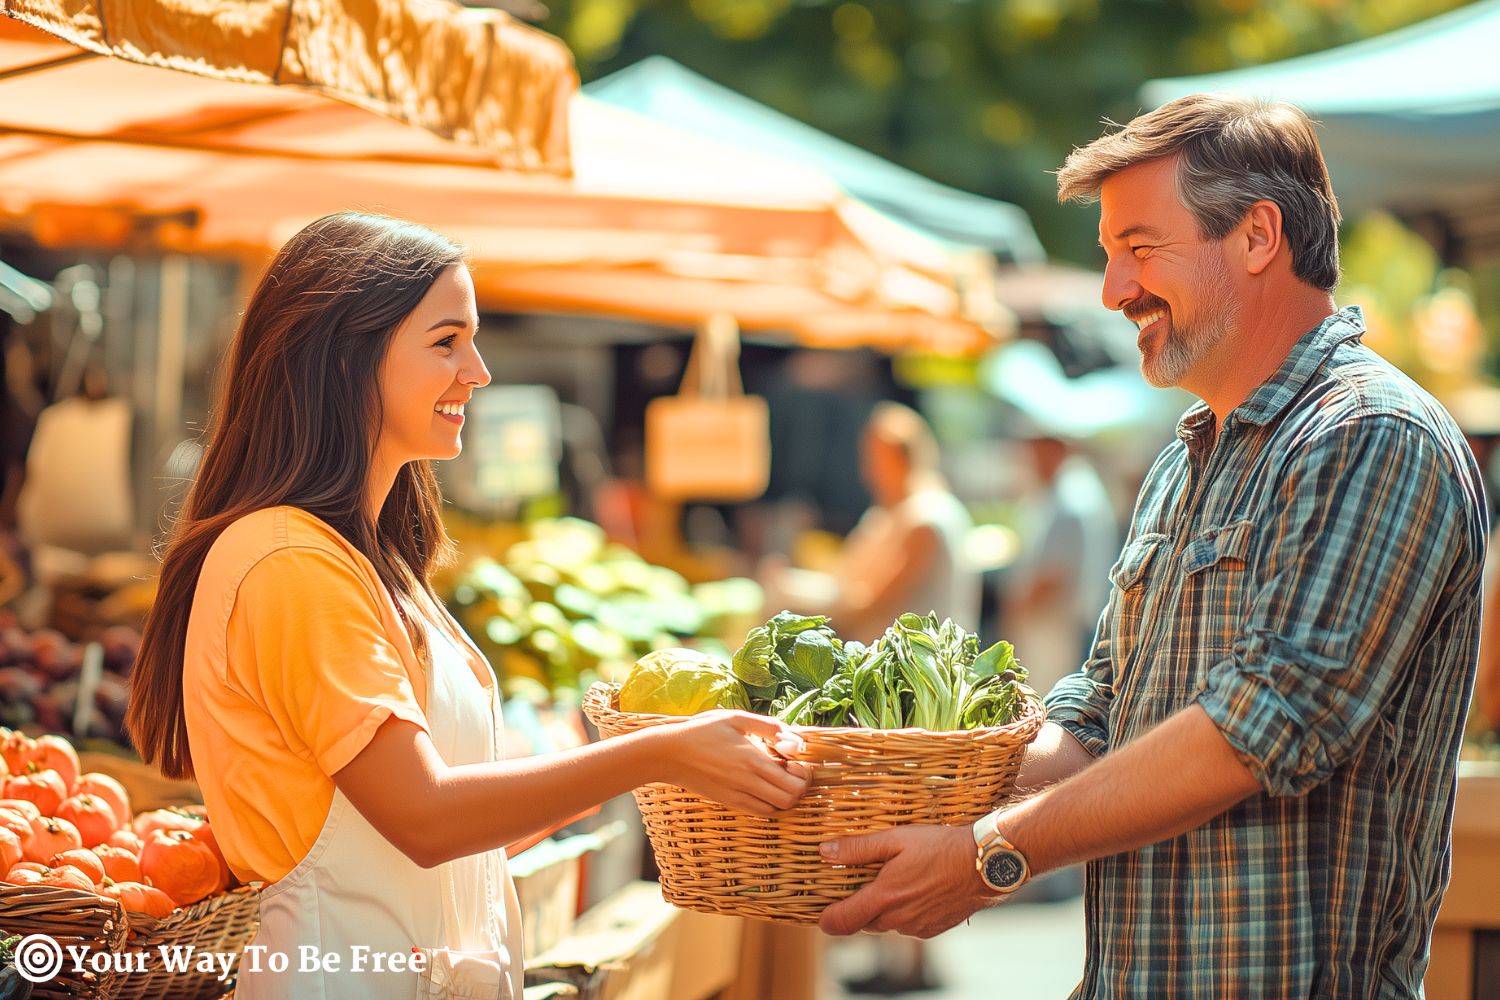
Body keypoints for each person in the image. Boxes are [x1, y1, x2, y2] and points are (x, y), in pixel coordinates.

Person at [814, 95, 1489, 999]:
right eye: (1108, 255)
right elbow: (1101, 710)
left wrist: (987, 857)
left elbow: (1260, 729)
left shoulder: (1370, 432)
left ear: (1257, 237)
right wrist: (891, 774)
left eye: (1140, 247)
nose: (1112, 291)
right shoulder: (1186, 456)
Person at [125, 213, 812, 1000]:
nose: (478, 370)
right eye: (447, 340)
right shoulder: (289, 563)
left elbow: (469, 829)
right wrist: (656, 754)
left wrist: (627, 740)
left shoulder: (372, 560)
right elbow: (425, 818)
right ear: (348, 357)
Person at [765, 401, 980, 646]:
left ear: (900, 458)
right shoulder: (886, 515)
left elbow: (869, 604)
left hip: (915, 676)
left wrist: (793, 598)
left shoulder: (927, 519)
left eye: (875, 458)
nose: (867, 470)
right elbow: (847, 584)